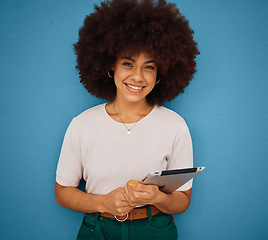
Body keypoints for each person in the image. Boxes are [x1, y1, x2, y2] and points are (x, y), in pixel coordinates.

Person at [55, 0, 199, 239]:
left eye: (149, 67)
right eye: (128, 64)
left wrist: (158, 198)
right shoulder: (82, 124)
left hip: (156, 229)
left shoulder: (175, 126)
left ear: (160, 73)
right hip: (97, 229)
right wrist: (104, 203)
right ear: (110, 65)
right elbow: (62, 192)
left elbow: (182, 201)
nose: (137, 77)